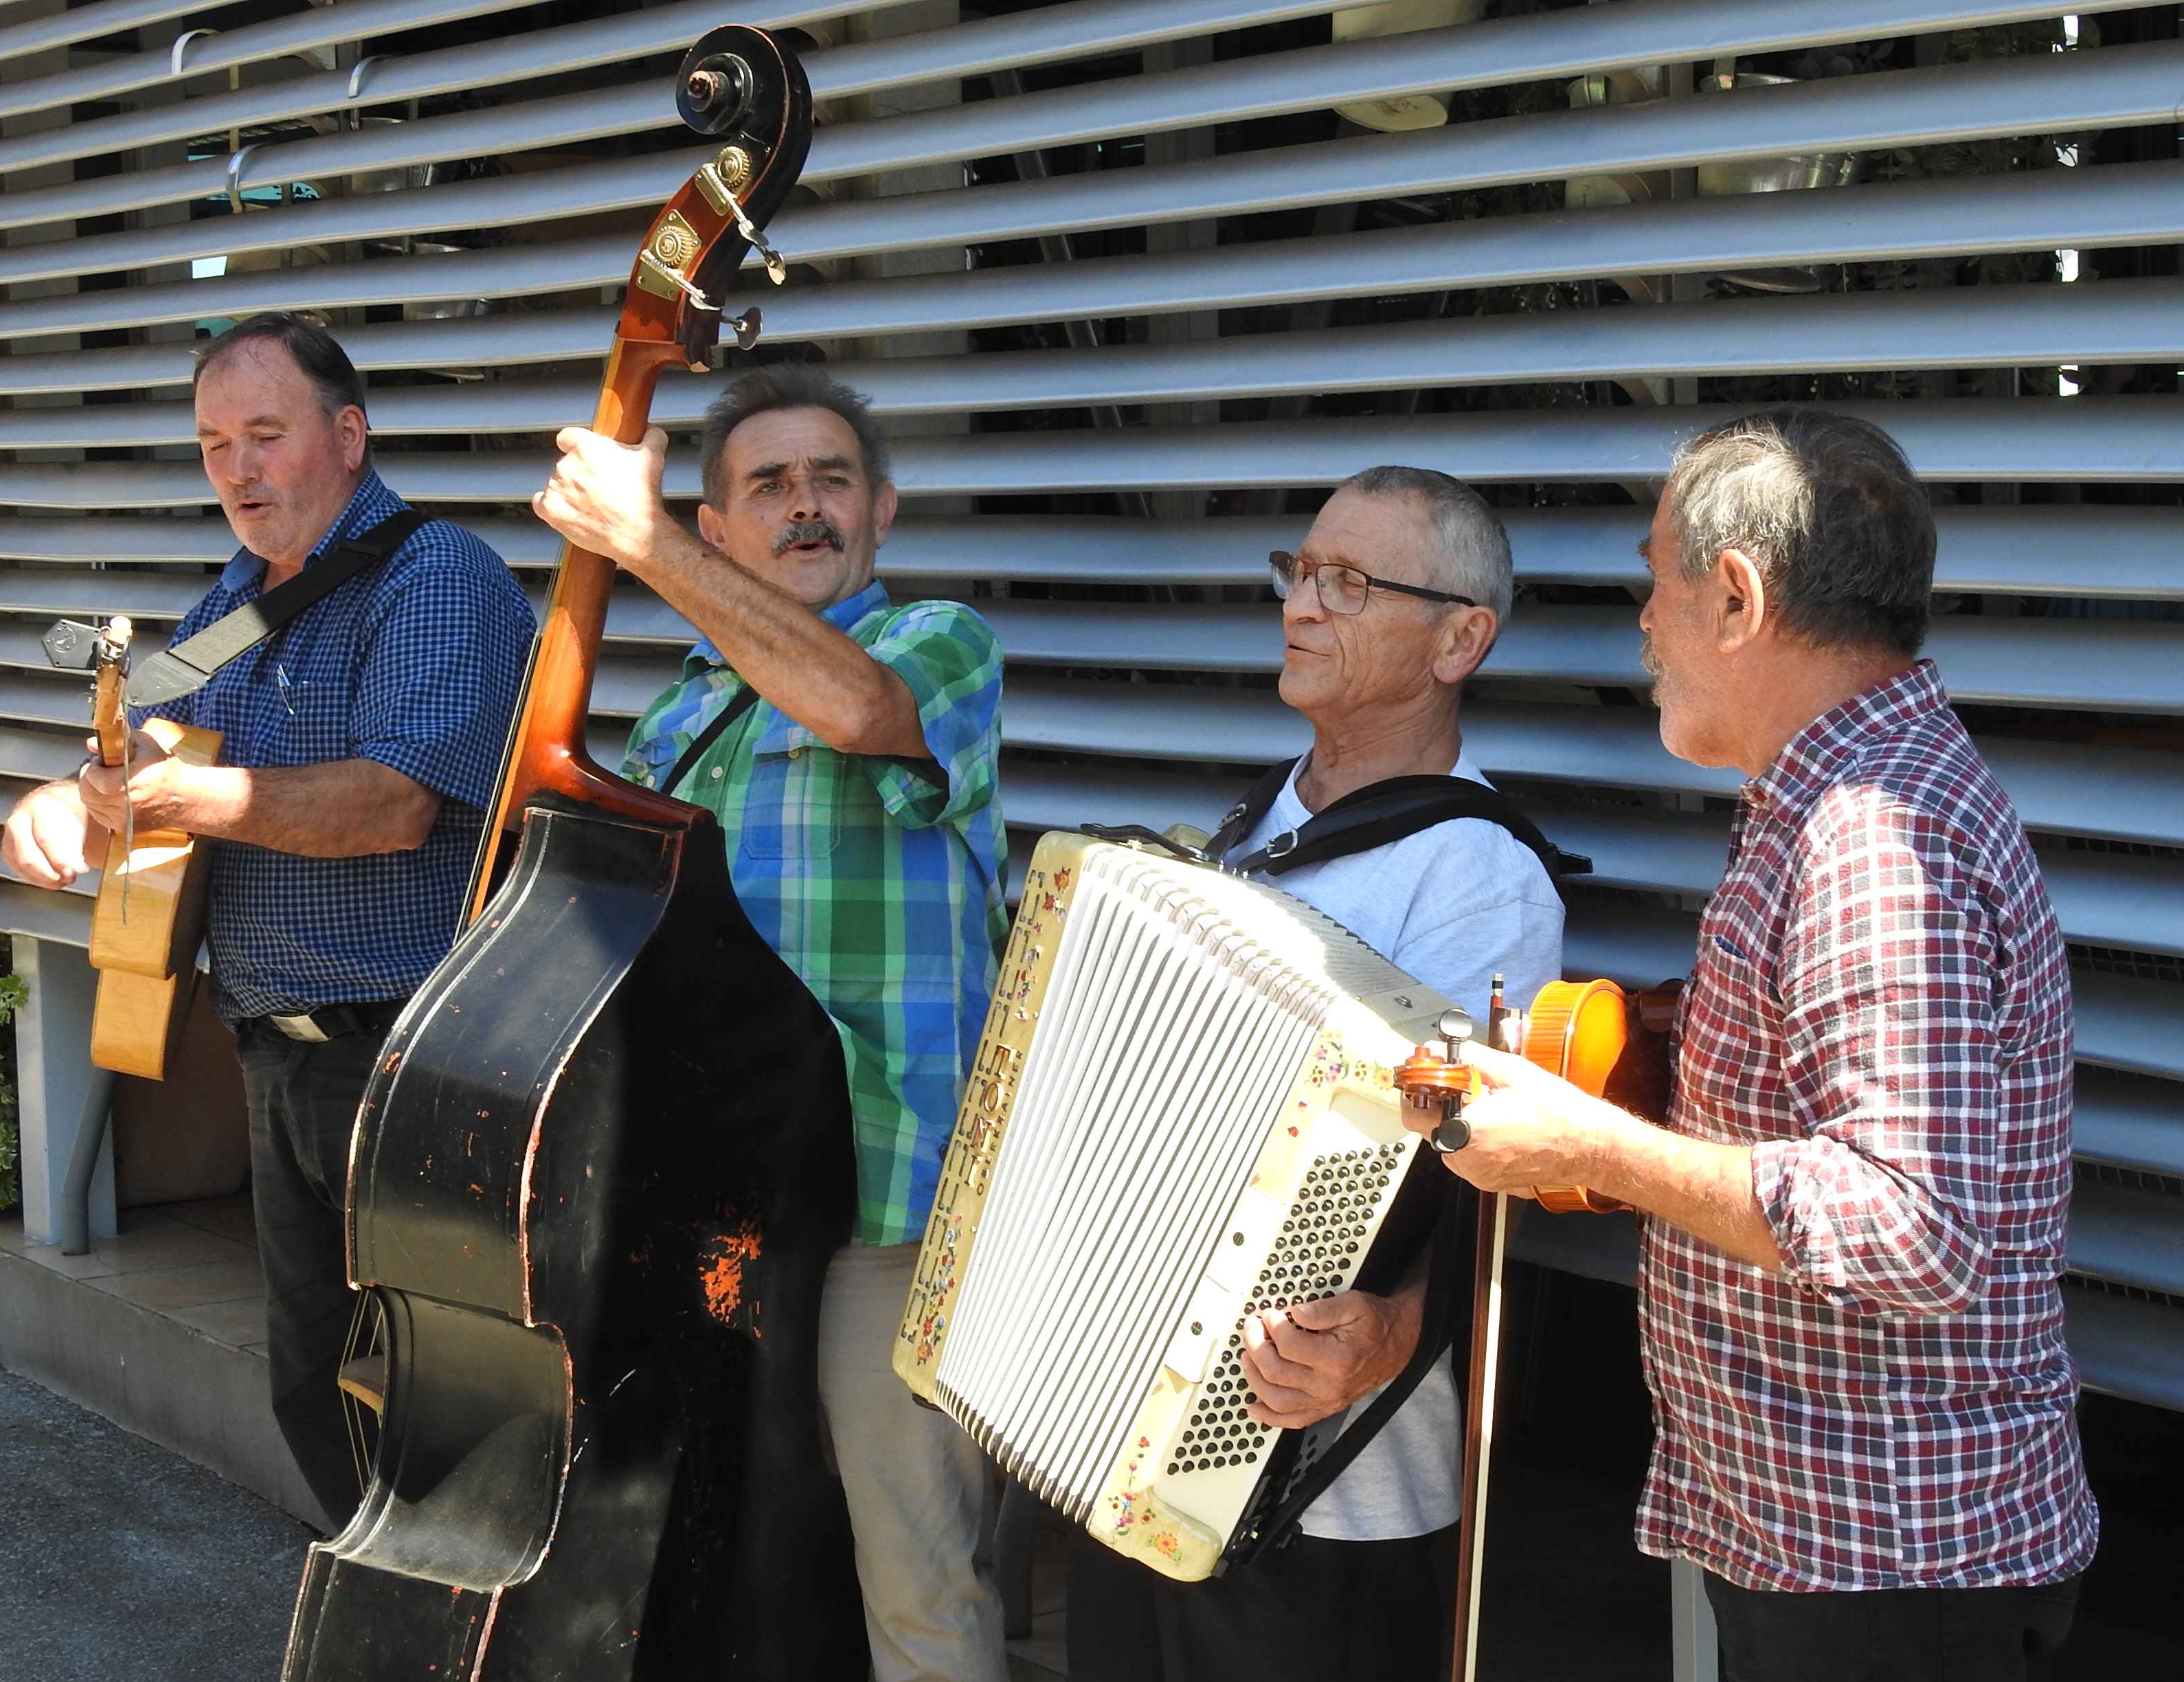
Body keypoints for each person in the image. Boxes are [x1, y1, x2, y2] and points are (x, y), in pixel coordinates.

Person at [1429, 409, 2096, 1681]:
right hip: (1853, 1550)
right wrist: (1661, 1042)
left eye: (1654, 581)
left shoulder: (1871, 838)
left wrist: (1591, 1148)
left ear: (1736, 597)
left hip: (1888, 1568)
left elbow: (1910, 1225)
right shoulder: (1846, 794)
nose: (1642, 622)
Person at [1, 312, 538, 1531]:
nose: (237, 471)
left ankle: (460, 1612)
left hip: (412, 1053)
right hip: (276, 1056)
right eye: (213, 445)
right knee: (314, 1390)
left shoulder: (436, 577)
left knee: (446, 1398)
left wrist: (178, 800)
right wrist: (68, 801)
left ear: (348, 436)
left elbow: (395, 804)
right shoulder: (235, 601)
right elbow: (146, 754)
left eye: (264, 435)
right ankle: (383, 1597)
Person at [531, 363, 1010, 1682]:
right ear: (722, 525)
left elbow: (856, 711)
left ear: (881, 510)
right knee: (736, 1551)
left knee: (916, 1581)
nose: (805, 506)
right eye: (768, 485)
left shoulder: (941, 644)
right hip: (721, 1214)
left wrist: (641, 543)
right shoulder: (677, 715)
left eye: (831, 480)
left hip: (887, 1204)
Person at [1066, 466, 1564, 1682]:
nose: (1301, 604)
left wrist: (1397, 1327)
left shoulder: (1476, 876)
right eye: (1299, 572)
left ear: (1460, 641)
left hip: (1329, 1493)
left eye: (1350, 582)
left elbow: (1480, 1177)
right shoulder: (1245, 839)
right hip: (1126, 1437)